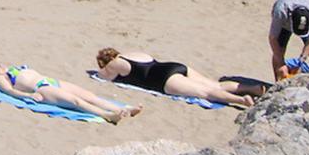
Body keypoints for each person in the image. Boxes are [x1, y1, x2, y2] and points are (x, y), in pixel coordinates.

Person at [0, 63, 141, 124]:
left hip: (52, 81)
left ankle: (122, 109)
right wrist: (29, 96)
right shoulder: (1, 78)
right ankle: (107, 115)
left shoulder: (14, 68)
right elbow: (10, 91)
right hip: (41, 89)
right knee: (76, 102)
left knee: (90, 96)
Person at [95, 48, 256, 106]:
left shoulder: (114, 63)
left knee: (206, 93)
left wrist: (100, 69)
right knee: (215, 85)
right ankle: (251, 88)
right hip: (171, 66)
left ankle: (242, 100)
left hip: (163, 79)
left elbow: (103, 76)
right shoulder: (134, 53)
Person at [269, 0, 309, 79]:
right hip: (284, 23)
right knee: (279, 51)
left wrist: (302, 59)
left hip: (306, 14)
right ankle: (277, 85)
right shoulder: (281, 12)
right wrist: (281, 63)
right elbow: (273, 38)